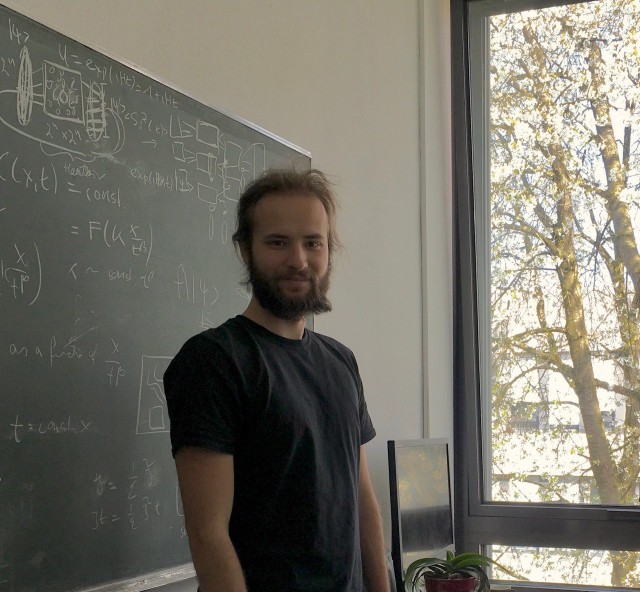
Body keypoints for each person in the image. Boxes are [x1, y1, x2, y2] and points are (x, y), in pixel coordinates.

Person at [164, 168, 390, 592]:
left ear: (328, 251)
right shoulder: (214, 361)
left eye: (312, 243)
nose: (298, 261)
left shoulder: (342, 362)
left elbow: (363, 505)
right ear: (246, 250)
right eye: (277, 242)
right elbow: (209, 534)